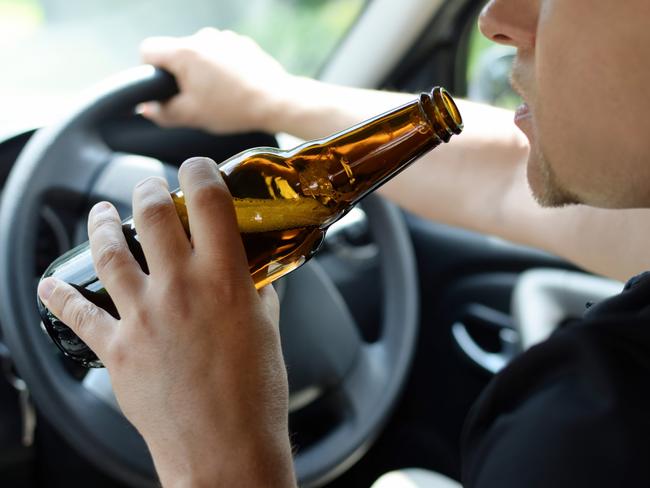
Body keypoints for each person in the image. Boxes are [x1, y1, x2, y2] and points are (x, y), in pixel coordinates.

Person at [36, 0, 650, 486]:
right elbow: (501, 182)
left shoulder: (594, 432)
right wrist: (267, 97)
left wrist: (217, 450)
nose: (495, 20)